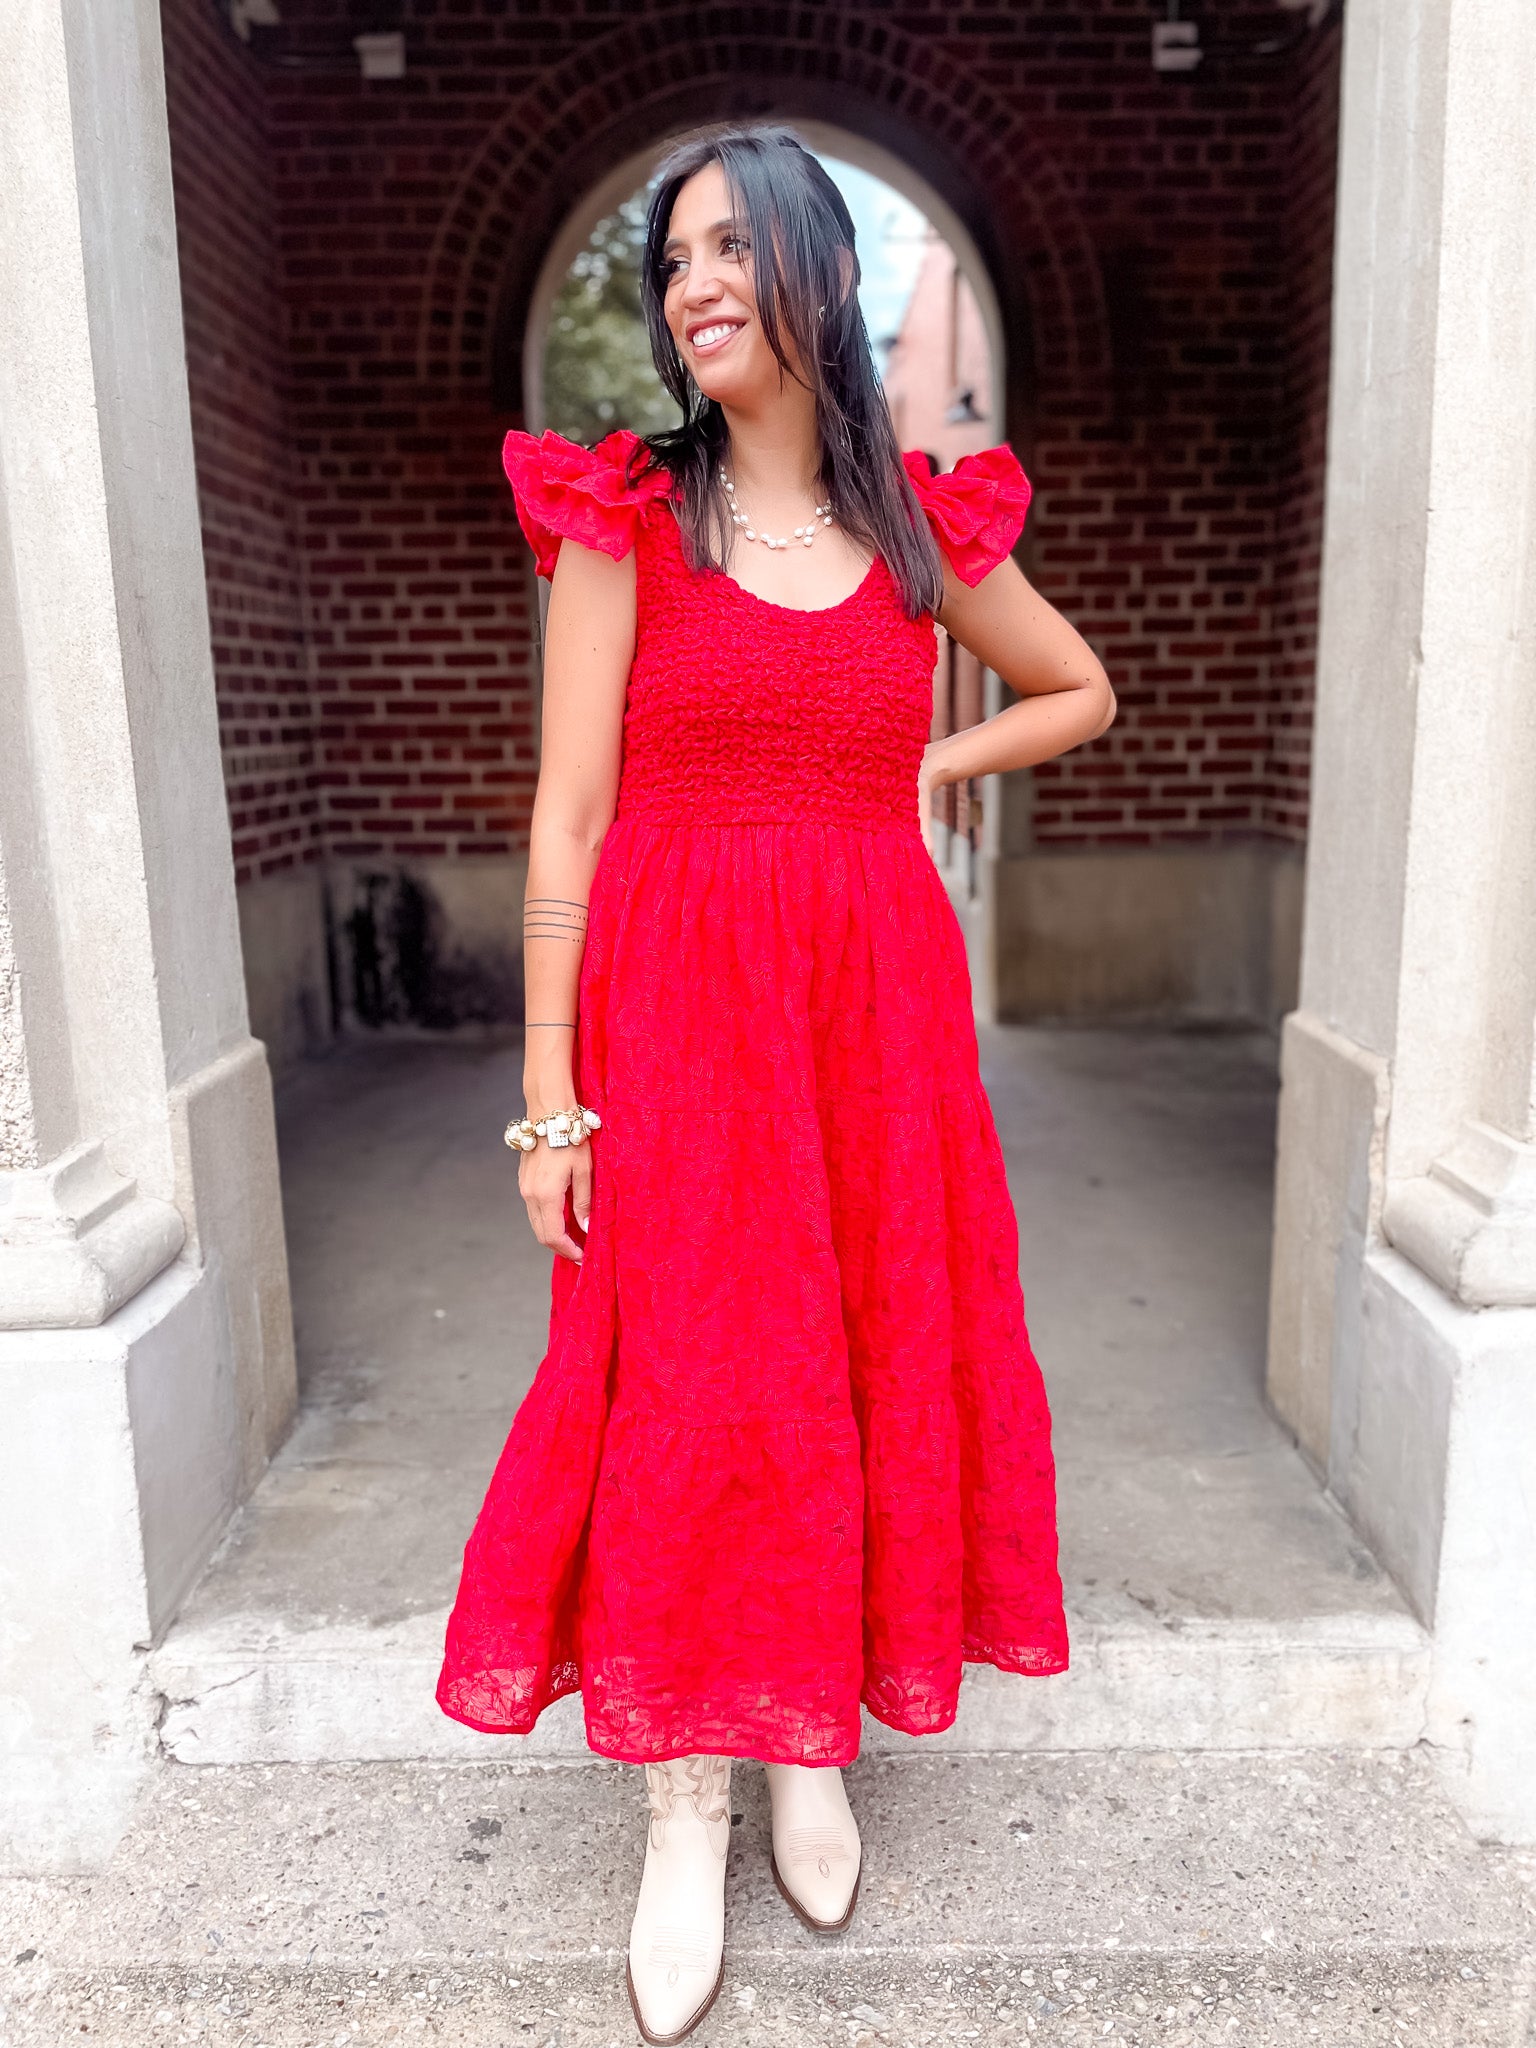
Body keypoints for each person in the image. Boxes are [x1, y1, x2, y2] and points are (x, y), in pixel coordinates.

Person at [437, 121, 1115, 2045]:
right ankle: (685, 1798)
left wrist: (933, 775)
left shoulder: (920, 530)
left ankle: (803, 1735)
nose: (693, 286)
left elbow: (1075, 687)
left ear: (813, 267)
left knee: (854, 1359)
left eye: (730, 247)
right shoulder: (621, 515)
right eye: (671, 261)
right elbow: (567, 817)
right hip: (668, 1015)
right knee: (689, 1376)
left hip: (873, 1015)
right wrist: (551, 1089)